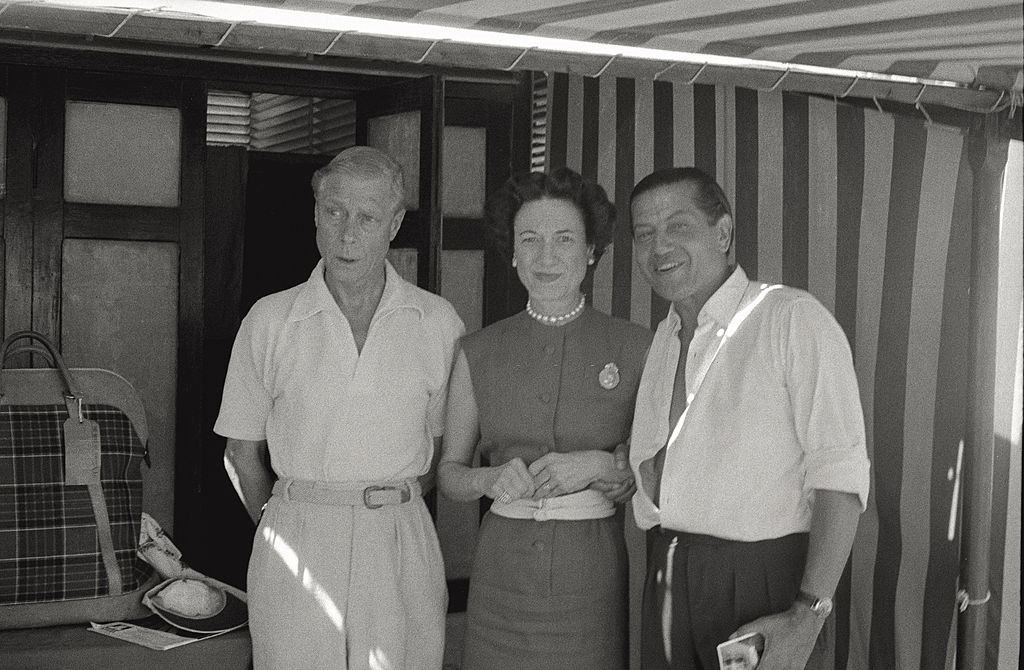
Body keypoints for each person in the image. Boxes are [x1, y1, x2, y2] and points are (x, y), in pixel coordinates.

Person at [214, 146, 464, 670]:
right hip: (297, 529)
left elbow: (442, 448)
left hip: (399, 534)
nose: (347, 233)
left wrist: (381, 508)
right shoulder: (270, 319)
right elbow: (241, 453)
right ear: (315, 214)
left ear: (394, 224)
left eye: (367, 217)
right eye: (334, 212)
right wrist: (286, 519)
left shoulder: (437, 322)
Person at [627, 167, 870, 670]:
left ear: (724, 232)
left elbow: (841, 480)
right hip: (671, 576)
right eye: (644, 233)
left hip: (763, 584)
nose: (659, 246)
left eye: (678, 226)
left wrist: (808, 613)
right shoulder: (665, 336)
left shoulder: (790, 318)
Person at [438, 167, 652, 670]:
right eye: (529, 240)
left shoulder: (637, 346)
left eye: (564, 239)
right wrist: (488, 478)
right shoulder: (477, 351)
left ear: (592, 250)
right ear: (512, 252)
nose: (546, 256)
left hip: (592, 577)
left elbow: (654, 469)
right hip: (500, 578)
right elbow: (448, 474)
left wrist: (600, 465)